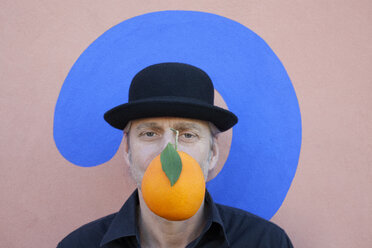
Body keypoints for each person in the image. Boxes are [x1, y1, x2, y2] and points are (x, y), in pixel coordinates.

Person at [57, 62, 293, 247]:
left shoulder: (266, 243)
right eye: (150, 133)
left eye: (188, 135)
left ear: (212, 154)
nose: (169, 151)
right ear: (128, 151)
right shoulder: (78, 245)